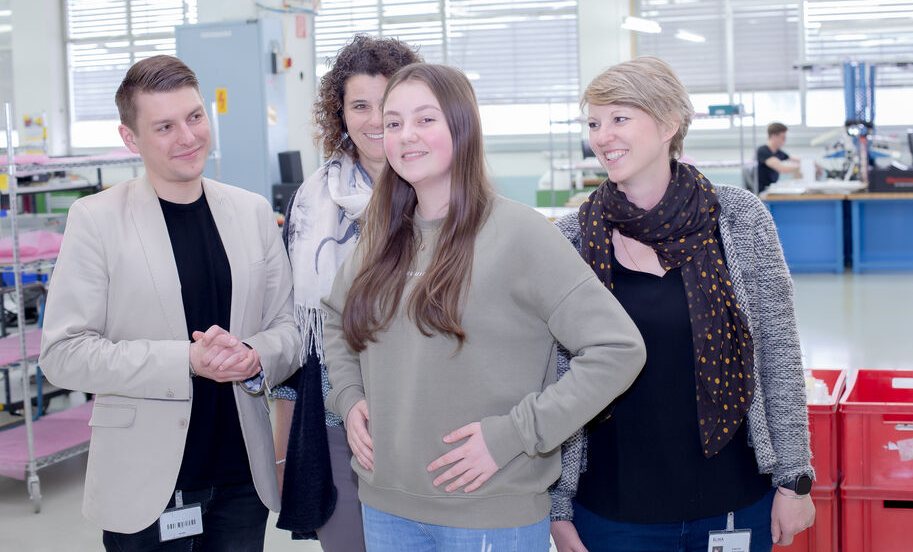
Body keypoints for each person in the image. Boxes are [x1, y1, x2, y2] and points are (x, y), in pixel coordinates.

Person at [320, 63, 647, 552]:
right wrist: (348, 398)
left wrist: (515, 434)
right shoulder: (381, 236)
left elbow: (618, 349)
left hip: (491, 511)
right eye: (393, 123)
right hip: (386, 505)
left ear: (462, 126)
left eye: (425, 119)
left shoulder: (520, 233)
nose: (406, 135)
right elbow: (336, 320)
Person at [549, 57, 815, 552]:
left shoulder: (739, 219)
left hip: (734, 501)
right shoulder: (572, 240)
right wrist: (557, 508)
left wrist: (794, 480)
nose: (602, 136)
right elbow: (551, 379)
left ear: (669, 123)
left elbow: (779, 355)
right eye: (594, 123)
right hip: (613, 512)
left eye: (620, 118)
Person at [39, 55, 300, 551]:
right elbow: (63, 355)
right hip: (144, 485)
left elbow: (288, 329)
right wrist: (187, 360)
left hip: (241, 479)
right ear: (130, 139)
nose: (188, 136)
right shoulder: (96, 220)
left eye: (195, 117)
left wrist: (254, 355)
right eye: (164, 126)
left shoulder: (251, 212)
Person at [272, 34, 421, 549]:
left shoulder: (445, 198)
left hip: (425, 419)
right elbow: (295, 332)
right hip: (336, 423)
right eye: (360, 106)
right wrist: (283, 452)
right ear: (339, 113)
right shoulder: (309, 204)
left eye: (389, 103)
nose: (376, 120)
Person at [756, 121, 802, 193]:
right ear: (774, 136)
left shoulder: (778, 152)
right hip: (763, 192)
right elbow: (782, 169)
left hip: (771, 189)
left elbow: (796, 160)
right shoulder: (763, 151)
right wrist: (804, 166)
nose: (784, 141)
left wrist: (814, 164)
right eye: (783, 138)